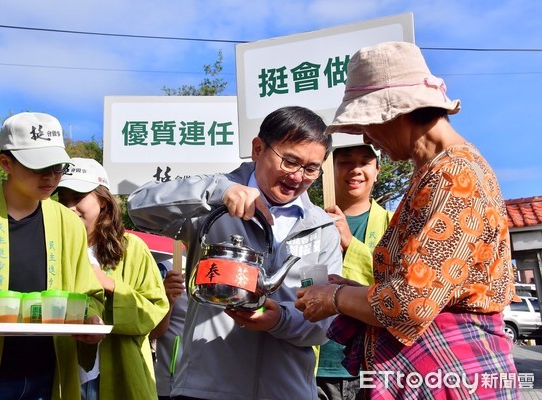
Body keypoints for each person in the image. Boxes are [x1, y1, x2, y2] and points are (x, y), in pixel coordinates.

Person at [295, 41, 519, 399]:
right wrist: (349, 289)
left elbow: (408, 305)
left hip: (449, 374)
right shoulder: (432, 171)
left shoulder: (454, 175)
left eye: (366, 123)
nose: (367, 136)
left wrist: (336, 296)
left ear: (397, 111)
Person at [127, 106, 342, 400]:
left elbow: (323, 324)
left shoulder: (322, 229)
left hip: (289, 391)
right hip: (204, 389)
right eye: (290, 161)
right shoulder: (213, 202)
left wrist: (280, 319)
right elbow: (139, 207)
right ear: (258, 148)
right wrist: (217, 191)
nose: (298, 177)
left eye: (311, 168)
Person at [0, 112, 105, 400]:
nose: (50, 176)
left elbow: (88, 295)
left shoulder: (68, 224)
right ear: (5, 162)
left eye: (58, 167)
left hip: (50, 373)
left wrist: (92, 319)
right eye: (38, 166)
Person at [56, 157, 169, 400]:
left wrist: (106, 282)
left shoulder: (132, 248)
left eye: (77, 198)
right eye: (62, 200)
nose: (69, 208)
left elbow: (154, 313)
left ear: (103, 202)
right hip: (62, 371)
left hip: (121, 371)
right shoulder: (51, 247)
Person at [317, 141, 392, 400]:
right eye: (346, 161)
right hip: (316, 362)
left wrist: (350, 244)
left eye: (364, 162)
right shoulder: (311, 219)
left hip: (371, 364)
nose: (355, 169)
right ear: (329, 167)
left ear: (377, 169)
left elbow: (401, 290)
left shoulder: (393, 223)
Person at [149, 260, 187, 400]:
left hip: (211, 382)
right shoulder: (166, 268)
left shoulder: (222, 268)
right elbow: (152, 331)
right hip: (171, 382)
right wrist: (166, 300)